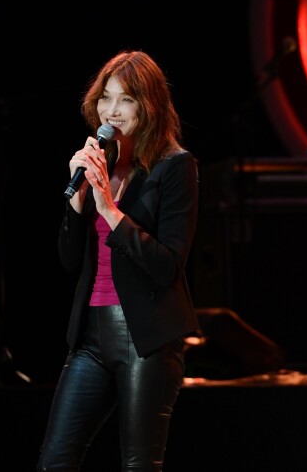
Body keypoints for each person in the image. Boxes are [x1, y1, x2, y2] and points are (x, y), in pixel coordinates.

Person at [37, 49, 200, 471]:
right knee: (55, 459)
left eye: (125, 99)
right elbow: (69, 260)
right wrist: (78, 202)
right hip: (91, 336)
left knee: (139, 464)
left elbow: (168, 265)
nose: (112, 110)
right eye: (106, 98)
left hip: (145, 337)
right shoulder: (100, 166)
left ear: (149, 106)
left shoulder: (175, 168)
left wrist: (110, 209)